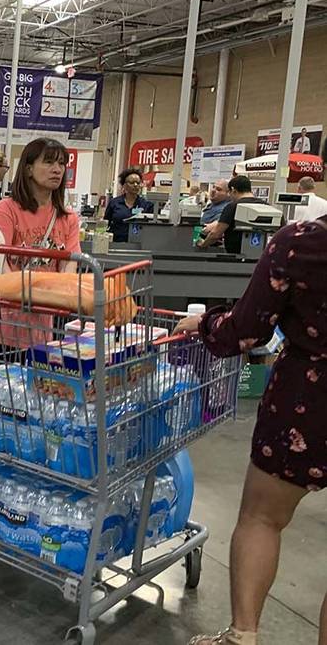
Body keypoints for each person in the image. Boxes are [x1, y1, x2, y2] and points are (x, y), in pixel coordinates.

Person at [176, 217, 327, 645]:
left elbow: (246, 330)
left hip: (305, 406)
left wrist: (204, 324)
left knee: (261, 518)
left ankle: (243, 636)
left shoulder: (300, 243)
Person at [0, 137, 81, 351]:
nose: (57, 170)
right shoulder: (6, 210)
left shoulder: (68, 218)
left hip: (43, 328)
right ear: (29, 169)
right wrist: (25, 294)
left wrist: (57, 295)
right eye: (48, 162)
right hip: (4, 325)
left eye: (61, 164)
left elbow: (70, 264)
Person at [197, 175, 266, 254]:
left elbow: (216, 234)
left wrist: (203, 244)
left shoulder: (232, 207)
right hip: (260, 256)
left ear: (233, 190)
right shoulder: (266, 206)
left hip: (235, 256)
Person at [103, 168, 154, 243]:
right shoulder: (114, 203)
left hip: (139, 244)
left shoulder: (146, 205)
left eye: (138, 182)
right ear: (124, 185)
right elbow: (106, 223)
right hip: (116, 243)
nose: (135, 185)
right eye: (132, 182)